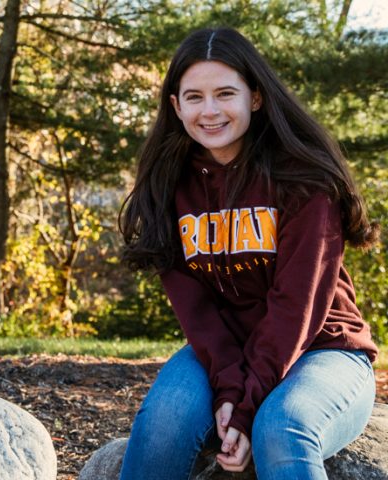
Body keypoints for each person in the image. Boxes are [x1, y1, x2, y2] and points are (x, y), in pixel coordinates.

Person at [117, 27, 379, 480]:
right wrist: (230, 387)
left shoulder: (305, 179)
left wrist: (245, 409)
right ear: (175, 106)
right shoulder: (168, 186)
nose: (210, 110)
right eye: (194, 97)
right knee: (164, 420)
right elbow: (195, 310)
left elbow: (295, 307)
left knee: (281, 428)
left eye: (225, 93)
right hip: (223, 349)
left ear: (255, 98)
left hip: (324, 348)